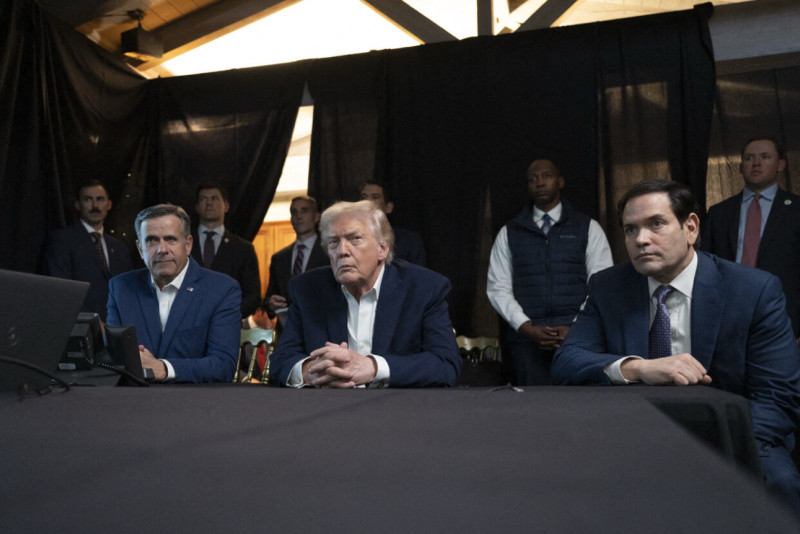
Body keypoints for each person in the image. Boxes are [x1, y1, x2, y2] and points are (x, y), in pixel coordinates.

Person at [552, 178, 800, 514]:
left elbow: (778, 399)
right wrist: (638, 367)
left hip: (737, 436)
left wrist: (692, 445)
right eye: (630, 229)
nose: (641, 239)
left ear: (691, 228)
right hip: (633, 436)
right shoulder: (608, 287)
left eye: (656, 224)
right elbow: (566, 361)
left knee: (779, 483)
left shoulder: (753, 291)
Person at [269, 200, 461, 388]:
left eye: (355, 239)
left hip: (398, 406)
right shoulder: (307, 289)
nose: (342, 251)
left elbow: (446, 364)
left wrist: (373, 368)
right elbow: (280, 361)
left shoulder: (424, 288)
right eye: (333, 242)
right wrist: (311, 371)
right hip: (327, 405)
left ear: (382, 248)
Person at [487, 159, 613, 385]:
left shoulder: (587, 227)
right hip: (527, 339)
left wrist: (576, 327)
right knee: (532, 404)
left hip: (578, 336)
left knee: (582, 401)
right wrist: (526, 327)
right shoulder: (510, 232)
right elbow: (498, 288)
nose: (540, 182)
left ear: (560, 181)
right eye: (533, 179)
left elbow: (601, 284)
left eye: (546, 176)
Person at [107, 204, 241, 383]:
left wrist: (163, 368)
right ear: (140, 249)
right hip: (133, 396)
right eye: (151, 240)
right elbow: (111, 357)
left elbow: (223, 366)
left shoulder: (222, 289)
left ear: (188, 244)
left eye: (170, 239)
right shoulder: (120, 287)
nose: (162, 249)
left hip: (195, 397)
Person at [702, 137, 800, 340]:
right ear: (740, 167)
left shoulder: (797, 209)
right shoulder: (719, 213)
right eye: (749, 158)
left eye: (765, 157)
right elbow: (706, 267)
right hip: (728, 316)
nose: (756, 163)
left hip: (785, 317)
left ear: (781, 164)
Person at [42, 180, 133, 321]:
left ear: (109, 204)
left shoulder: (120, 248)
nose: (95, 206)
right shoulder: (61, 240)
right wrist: (93, 322)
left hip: (117, 326)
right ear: (78, 205)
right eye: (88, 199)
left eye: (100, 199)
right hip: (79, 325)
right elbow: (61, 289)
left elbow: (127, 290)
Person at [190, 183, 261, 318]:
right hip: (187, 324)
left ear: (226, 206)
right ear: (197, 207)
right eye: (203, 199)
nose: (209, 203)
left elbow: (253, 296)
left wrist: (227, 315)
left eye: (214, 198)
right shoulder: (182, 245)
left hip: (228, 324)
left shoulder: (243, 249)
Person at [264, 196, 329, 326]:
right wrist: (270, 303)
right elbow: (269, 297)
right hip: (287, 329)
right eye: (294, 212)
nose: (298, 216)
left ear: (317, 217)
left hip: (321, 328)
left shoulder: (329, 253)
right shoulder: (279, 258)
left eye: (304, 210)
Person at [360, 181, 426, 266]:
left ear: (388, 207)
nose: (367, 202)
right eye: (363, 197)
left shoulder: (409, 240)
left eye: (375, 197)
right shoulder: (349, 237)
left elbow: (418, 272)